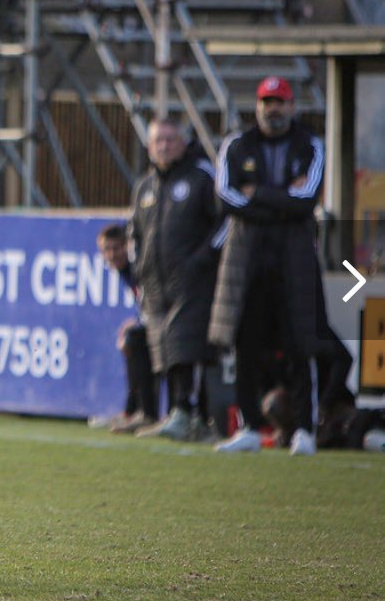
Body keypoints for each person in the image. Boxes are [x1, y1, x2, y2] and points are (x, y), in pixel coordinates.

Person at [210, 76, 328, 456]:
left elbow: (306, 199)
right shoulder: (236, 144)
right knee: (247, 343)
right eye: (266, 102)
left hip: (294, 257)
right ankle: (248, 426)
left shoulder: (310, 143)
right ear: (256, 106)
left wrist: (257, 193)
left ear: (292, 106)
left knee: (300, 344)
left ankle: (305, 430)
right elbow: (226, 198)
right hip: (248, 259)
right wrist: (282, 199)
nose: (272, 110)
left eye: (279, 102)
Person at [130, 117, 226, 442]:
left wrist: (201, 259)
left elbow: (226, 223)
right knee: (164, 346)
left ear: (183, 143)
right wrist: (139, 266)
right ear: (149, 146)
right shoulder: (145, 186)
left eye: (170, 140)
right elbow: (136, 233)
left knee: (186, 343)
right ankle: (177, 412)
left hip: (193, 279)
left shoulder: (201, 177)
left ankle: (191, 413)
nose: (164, 146)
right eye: (158, 140)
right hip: (156, 281)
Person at [90, 223, 159, 434]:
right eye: (106, 250)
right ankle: (131, 411)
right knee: (130, 337)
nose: (111, 255)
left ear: (127, 246)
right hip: (156, 322)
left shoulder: (138, 266)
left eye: (116, 248)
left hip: (169, 325)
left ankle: (147, 413)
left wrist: (141, 323)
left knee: (134, 338)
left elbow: (155, 301)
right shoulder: (125, 271)